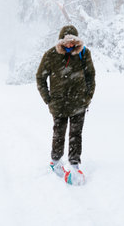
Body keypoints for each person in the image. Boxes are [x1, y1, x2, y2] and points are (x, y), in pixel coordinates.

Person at [36, 25, 95, 183]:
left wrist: (87, 97)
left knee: (76, 135)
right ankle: (55, 162)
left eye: (73, 42)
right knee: (59, 134)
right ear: (61, 42)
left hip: (79, 103)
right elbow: (40, 77)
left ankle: (74, 164)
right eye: (67, 42)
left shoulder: (83, 53)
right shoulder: (51, 55)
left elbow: (91, 76)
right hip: (59, 104)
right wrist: (48, 99)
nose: (70, 45)